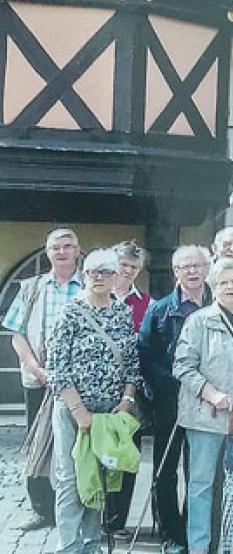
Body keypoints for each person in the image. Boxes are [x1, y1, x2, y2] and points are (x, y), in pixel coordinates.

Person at [171, 258, 233, 554]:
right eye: (222, 282)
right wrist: (211, 393)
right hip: (207, 415)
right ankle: (199, 547)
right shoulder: (199, 321)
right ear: (213, 287)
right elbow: (182, 366)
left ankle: (231, 544)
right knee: (201, 485)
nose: (229, 287)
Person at [47, 249, 141, 554]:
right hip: (74, 409)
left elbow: (132, 362)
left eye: (105, 272)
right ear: (83, 276)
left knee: (98, 477)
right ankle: (69, 546)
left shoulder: (122, 313)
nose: (99, 277)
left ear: (116, 277)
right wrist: (77, 410)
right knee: (71, 478)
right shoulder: (70, 311)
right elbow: (57, 367)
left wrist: (127, 399)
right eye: (92, 272)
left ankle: (91, 544)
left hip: (109, 410)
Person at [2, 228, 82, 531]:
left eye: (67, 246)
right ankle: (40, 509)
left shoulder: (89, 286)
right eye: (54, 248)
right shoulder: (32, 288)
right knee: (37, 444)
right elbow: (16, 335)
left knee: (77, 443)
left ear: (77, 251)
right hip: (38, 380)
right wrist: (37, 369)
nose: (61, 252)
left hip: (78, 382)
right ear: (48, 253)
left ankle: (77, 507)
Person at [139, 246, 213, 554]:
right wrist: (171, 384)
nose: (192, 271)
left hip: (208, 401)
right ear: (175, 272)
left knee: (200, 469)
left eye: (197, 265)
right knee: (166, 468)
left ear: (207, 268)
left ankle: (196, 531)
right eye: (185, 267)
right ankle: (171, 534)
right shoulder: (159, 310)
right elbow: (146, 354)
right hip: (171, 401)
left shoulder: (219, 302)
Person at [104, 240, 152, 534]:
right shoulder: (97, 296)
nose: (128, 271)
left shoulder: (146, 304)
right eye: (123, 265)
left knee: (125, 454)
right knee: (96, 454)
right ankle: (93, 520)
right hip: (97, 391)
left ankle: (117, 521)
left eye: (134, 267)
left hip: (131, 392)